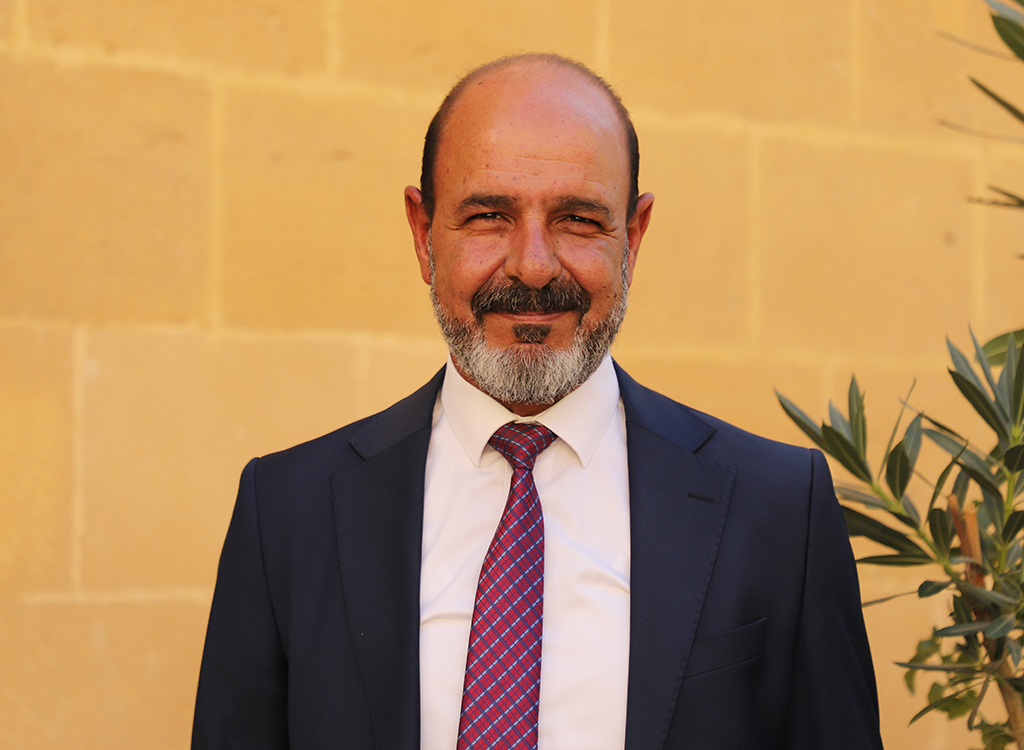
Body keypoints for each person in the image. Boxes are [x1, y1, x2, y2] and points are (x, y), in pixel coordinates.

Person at [192, 54, 884, 750]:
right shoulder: (287, 513)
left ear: (633, 238)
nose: (532, 265)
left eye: (577, 220)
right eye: (488, 216)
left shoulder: (776, 511)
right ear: (422, 235)